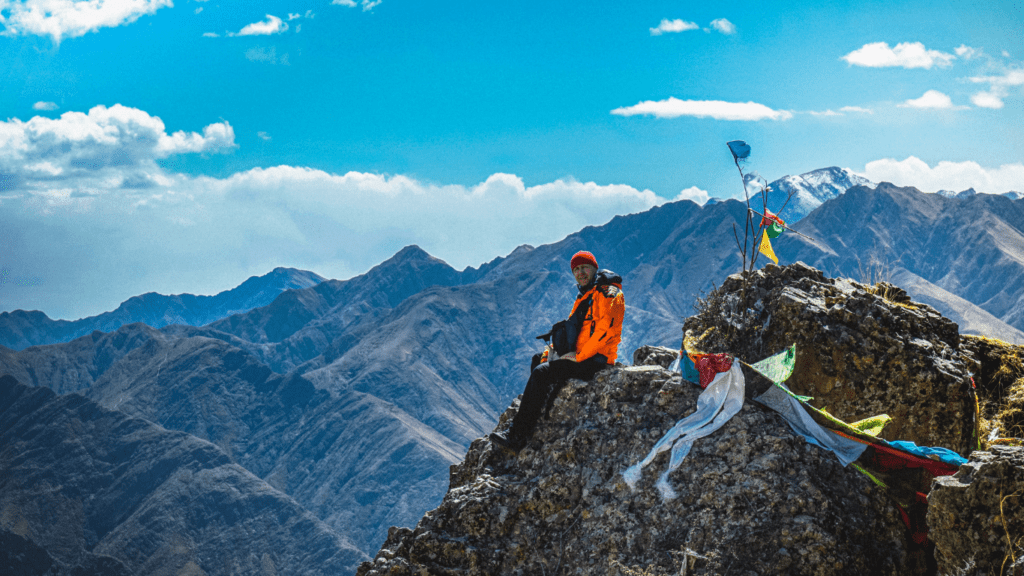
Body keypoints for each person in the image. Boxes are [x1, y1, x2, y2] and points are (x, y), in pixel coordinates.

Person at [489, 250, 624, 453]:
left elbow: (605, 332)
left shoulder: (608, 294)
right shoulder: (586, 295)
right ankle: (534, 414)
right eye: (576, 269)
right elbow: (579, 331)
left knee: (541, 373)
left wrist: (578, 357)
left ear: (595, 269)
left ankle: (517, 436)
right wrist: (555, 352)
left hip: (596, 360)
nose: (581, 273)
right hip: (583, 356)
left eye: (585, 267)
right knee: (539, 360)